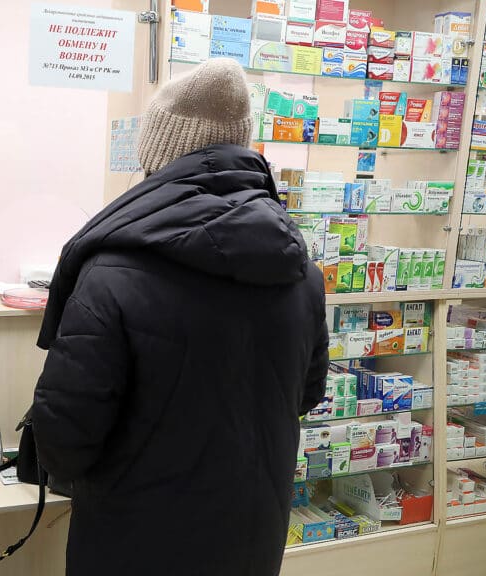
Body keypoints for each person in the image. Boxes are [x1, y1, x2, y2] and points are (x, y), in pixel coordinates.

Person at [31, 58, 328, 576]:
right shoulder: (301, 271)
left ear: (158, 155)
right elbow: (305, 395)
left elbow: (63, 442)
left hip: (134, 547)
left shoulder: (111, 273)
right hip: (251, 543)